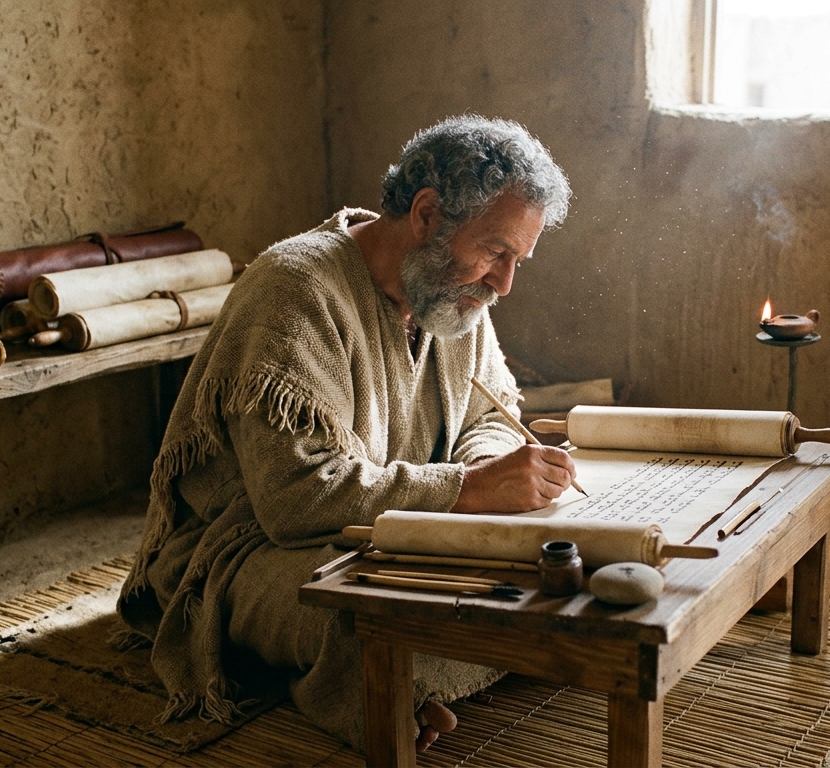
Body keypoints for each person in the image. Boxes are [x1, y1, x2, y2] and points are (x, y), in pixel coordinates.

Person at [118, 115, 575, 752]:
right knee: (365, 620)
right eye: (496, 252)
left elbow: (485, 423)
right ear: (424, 215)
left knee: (549, 584)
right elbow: (296, 500)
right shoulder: (297, 290)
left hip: (392, 526)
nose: (504, 282)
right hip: (249, 545)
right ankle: (382, 694)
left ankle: (408, 677)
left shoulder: (455, 295)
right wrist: (471, 490)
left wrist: (503, 477)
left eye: (517, 260)